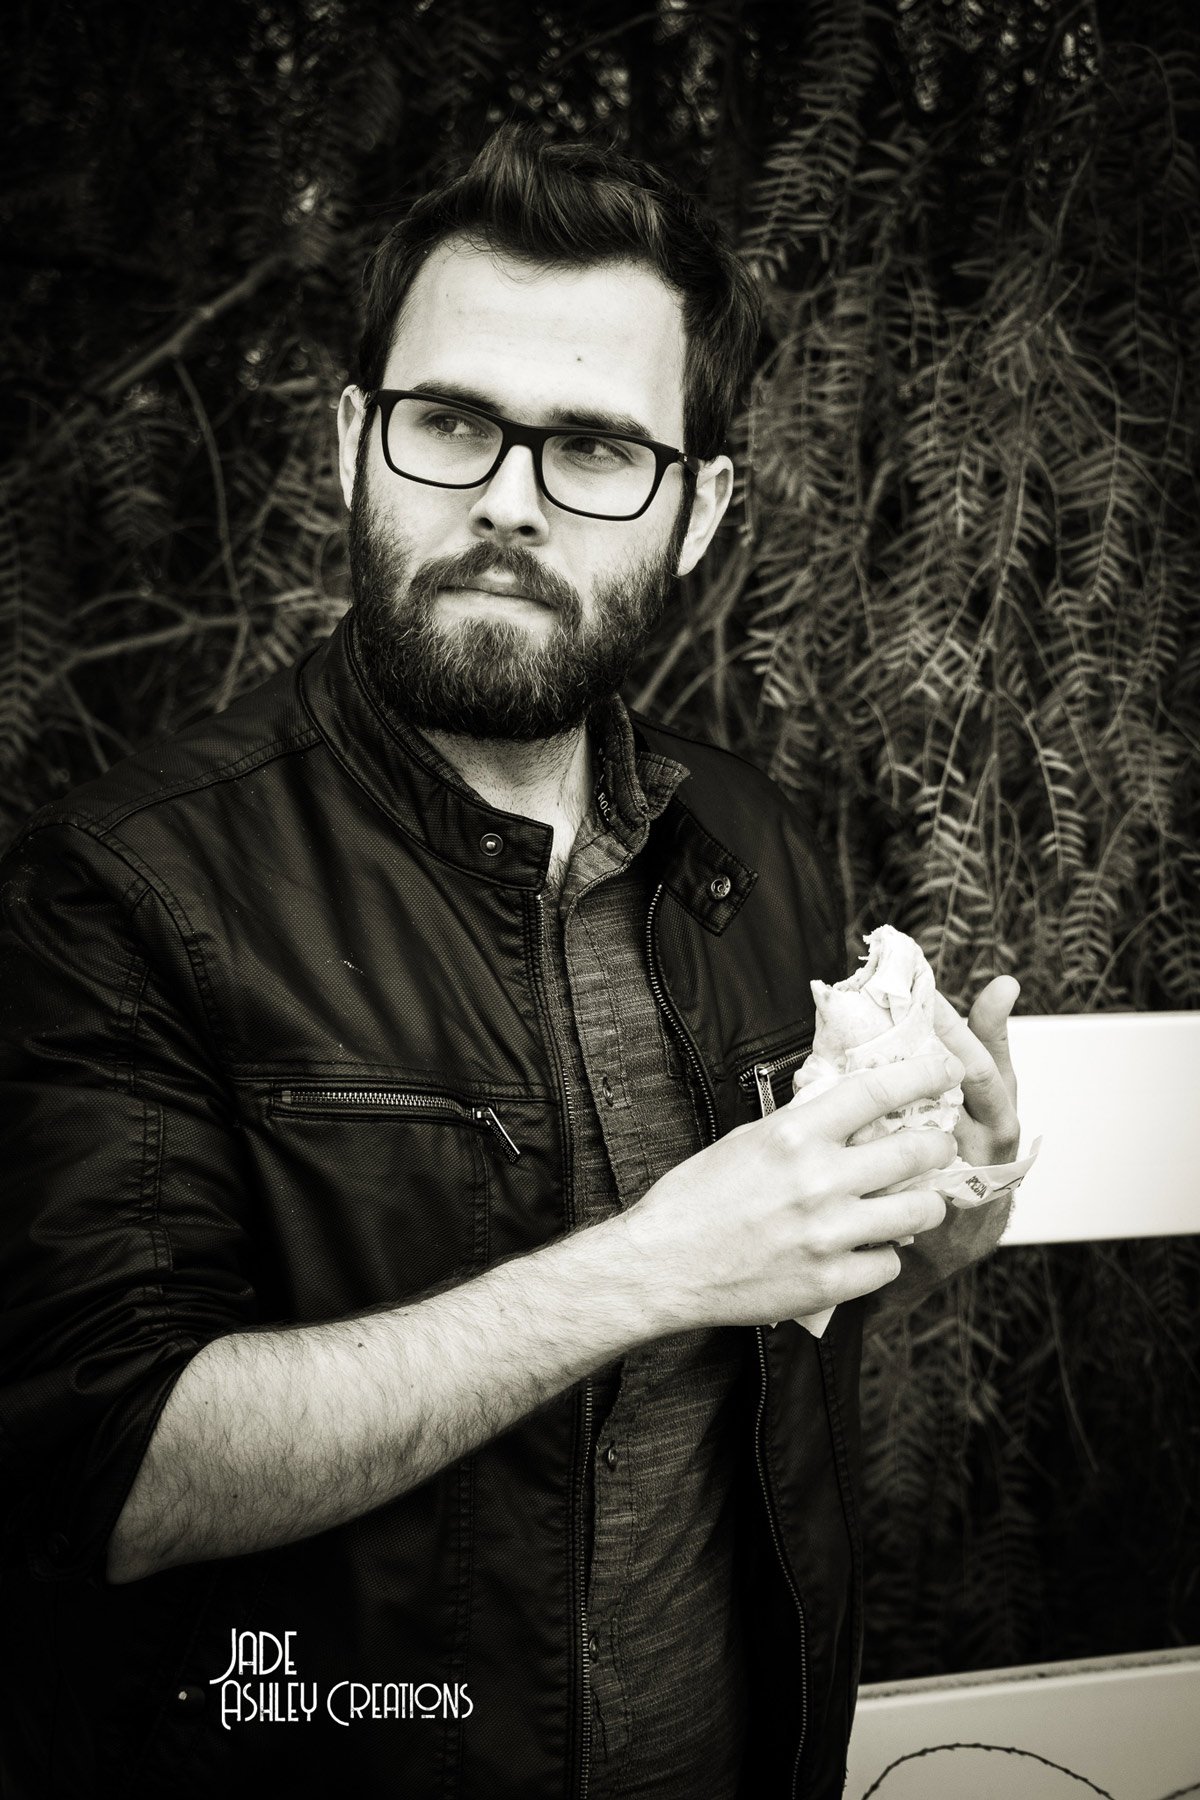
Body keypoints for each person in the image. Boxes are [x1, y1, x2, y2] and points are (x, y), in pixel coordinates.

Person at [0, 127, 1020, 1800]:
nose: (509, 499)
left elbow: (772, 1289)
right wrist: (651, 1265)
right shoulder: (125, 886)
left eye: (598, 448)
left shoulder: (752, 848)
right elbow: (102, 1473)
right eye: (453, 422)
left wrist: (930, 1218)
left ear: (700, 512)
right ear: (354, 441)